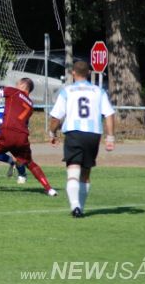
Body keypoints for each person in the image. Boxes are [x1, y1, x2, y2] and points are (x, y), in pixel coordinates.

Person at [48, 60, 116, 218]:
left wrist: (52, 133)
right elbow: (109, 114)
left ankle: (75, 206)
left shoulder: (67, 91)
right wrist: (110, 137)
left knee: (73, 170)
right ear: (89, 73)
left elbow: (56, 117)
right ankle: (81, 208)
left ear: (73, 73)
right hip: (93, 134)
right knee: (85, 173)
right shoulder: (99, 91)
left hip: (74, 133)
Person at [0, 78, 58, 197]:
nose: (16, 85)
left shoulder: (14, 92)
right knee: (29, 162)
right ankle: (49, 189)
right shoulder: (30, 104)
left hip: (8, 134)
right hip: (22, 137)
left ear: (22, 85)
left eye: (17, 83)